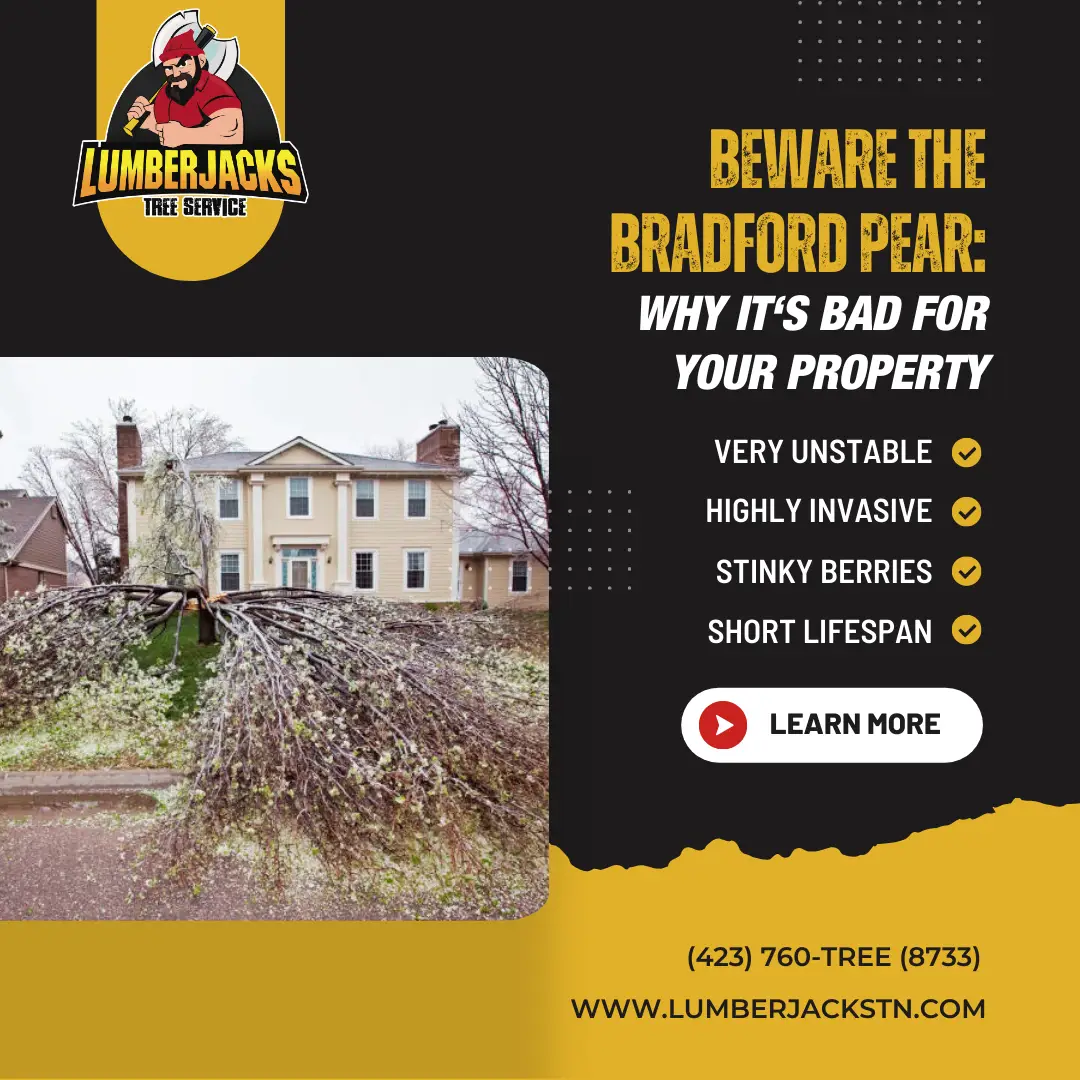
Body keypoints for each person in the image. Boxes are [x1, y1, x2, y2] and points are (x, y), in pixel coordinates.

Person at [127, 29, 243, 147]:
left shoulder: (216, 89)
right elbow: (167, 131)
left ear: (201, 61)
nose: (176, 73)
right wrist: (147, 121)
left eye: (182, 65)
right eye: (169, 68)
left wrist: (184, 135)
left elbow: (233, 133)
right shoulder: (167, 91)